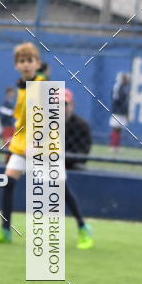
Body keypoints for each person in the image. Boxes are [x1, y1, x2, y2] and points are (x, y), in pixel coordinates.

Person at [0, 41, 46, 244]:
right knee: (8, 184)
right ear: (16, 65)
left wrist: (36, 143)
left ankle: (82, 227)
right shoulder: (22, 86)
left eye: (30, 60)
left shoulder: (40, 86)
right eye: (21, 61)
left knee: (60, 187)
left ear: (38, 63)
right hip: (22, 146)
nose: (26, 64)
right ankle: (5, 231)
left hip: (38, 146)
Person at [64, 89, 94, 250]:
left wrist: (61, 156)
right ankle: (6, 228)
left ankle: (82, 227)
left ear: (72, 105)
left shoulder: (82, 125)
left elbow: (83, 155)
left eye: (65, 104)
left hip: (72, 165)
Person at [109, 72, 131, 153]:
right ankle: (113, 146)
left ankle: (117, 146)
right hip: (117, 110)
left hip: (122, 111)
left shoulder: (124, 87)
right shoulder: (117, 86)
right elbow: (116, 98)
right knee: (115, 128)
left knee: (120, 129)